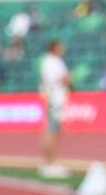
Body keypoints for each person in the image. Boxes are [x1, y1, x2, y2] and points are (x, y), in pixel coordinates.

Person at [38, 39, 72, 178]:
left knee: (54, 131)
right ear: (54, 47)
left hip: (56, 98)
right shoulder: (51, 62)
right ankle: (49, 163)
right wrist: (67, 78)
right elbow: (63, 78)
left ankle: (51, 162)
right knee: (51, 131)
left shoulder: (52, 61)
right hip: (54, 99)